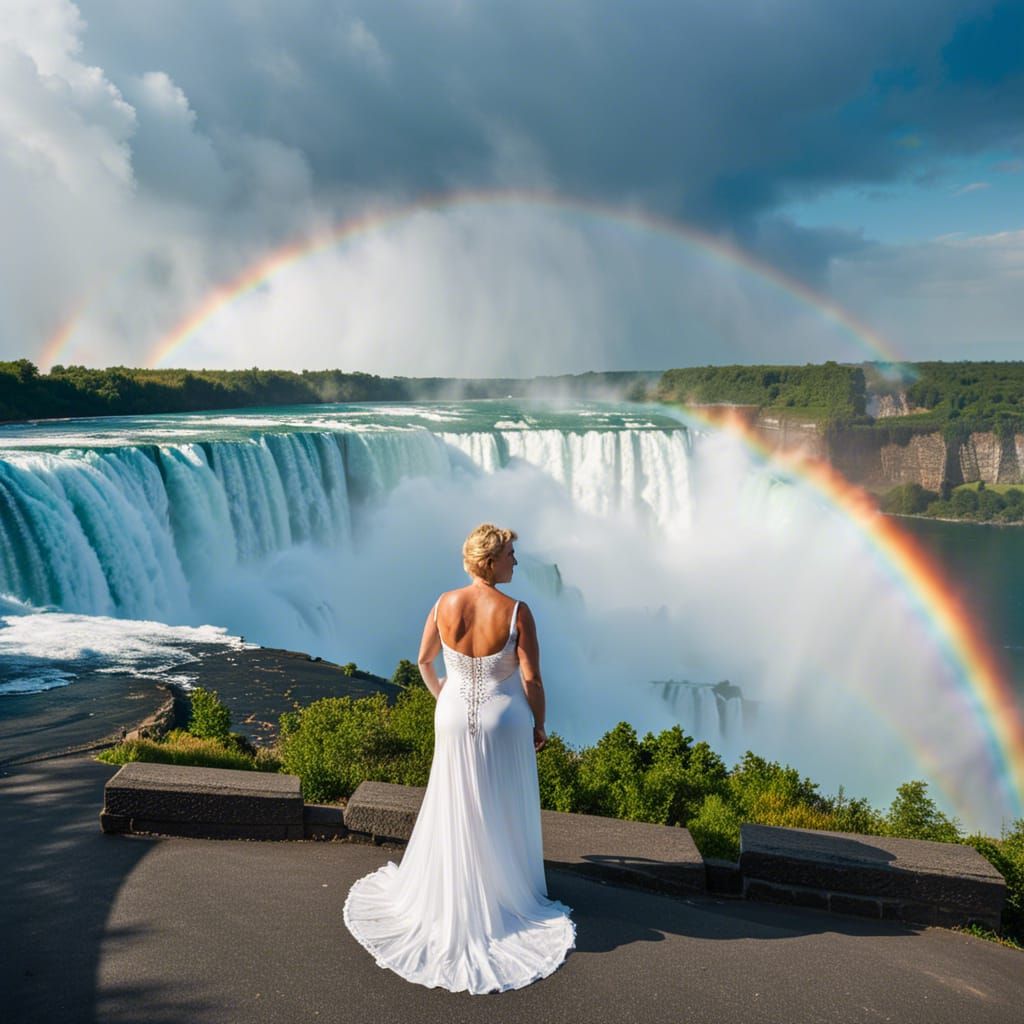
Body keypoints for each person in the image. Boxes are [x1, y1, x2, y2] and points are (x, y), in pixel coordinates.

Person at [343, 523, 575, 994]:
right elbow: (531, 679)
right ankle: (498, 893)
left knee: (455, 800)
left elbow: (424, 660)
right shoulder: (516, 611)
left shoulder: (443, 603)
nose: (515, 561)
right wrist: (540, 723)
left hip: (450, 715)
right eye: (510, 554)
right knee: (498, 804)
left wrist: (443, 697)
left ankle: (454, 893)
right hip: (503, 720)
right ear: (489, 562)